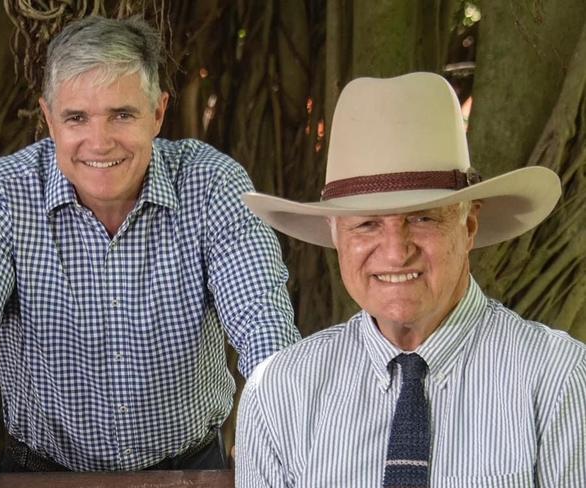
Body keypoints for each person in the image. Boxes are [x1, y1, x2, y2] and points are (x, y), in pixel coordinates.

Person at [0, 14, 300, 486]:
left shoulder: (212, 185)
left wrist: (277, 424)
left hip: (190, 471)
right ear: (49, 119)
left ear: (158, 113)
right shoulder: (2, 194)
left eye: (122, 114)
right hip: (42, 474)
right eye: (77, 118)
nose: (99, 141)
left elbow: (262, 320)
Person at [235, 72, 586, 487]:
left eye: (422, 218)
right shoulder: (279, 392)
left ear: (469, 223)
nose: (396, 251)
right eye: (366, 224)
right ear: (335, 234)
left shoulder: (559, 380)